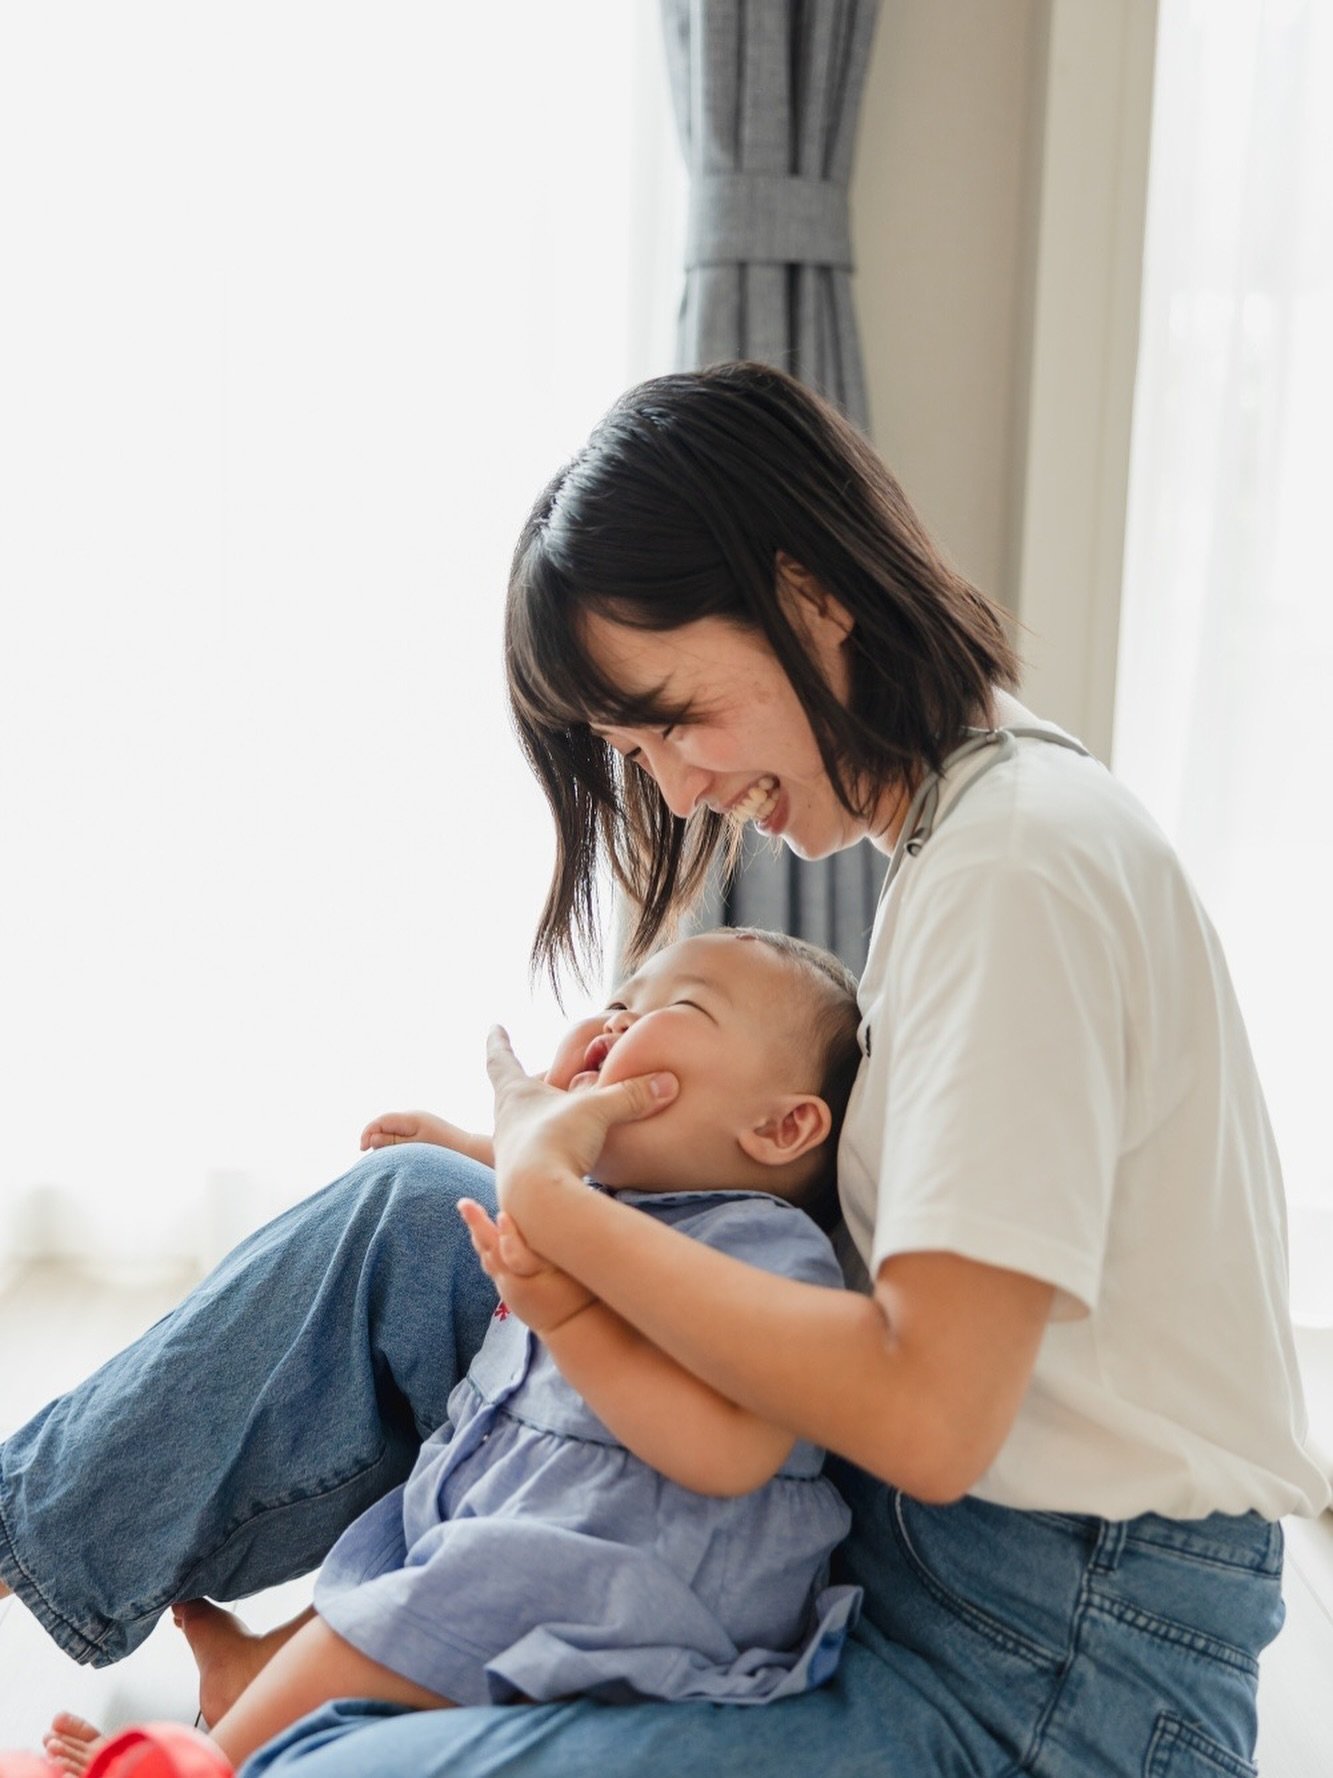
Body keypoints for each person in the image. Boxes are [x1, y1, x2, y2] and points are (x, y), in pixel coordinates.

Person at [2, 360, 1327, 1778]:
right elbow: (836, 1257)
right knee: (413, 1209)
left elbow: (932, 1416)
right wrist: (539, 1177)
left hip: (1051, 1670)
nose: (682, 791)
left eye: (675, 718)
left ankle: (319, 1695)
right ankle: (48, 1549)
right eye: (637, 753)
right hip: (892, 1538)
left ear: (809, 593)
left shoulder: (1020, 870)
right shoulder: (971, 838)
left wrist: (558, 1209)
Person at [40, 928, 865, 1775]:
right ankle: (259, 1680)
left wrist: (570, 1317)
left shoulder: (765, 1252)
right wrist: (464, 1147)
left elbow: (730, 1454)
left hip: (647, 1582)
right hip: (532, 1522)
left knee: (392, 1622)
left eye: (677, 1008)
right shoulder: (604, 1201)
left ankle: (210, 1760)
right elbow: (545, 1169)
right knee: (389, 1557)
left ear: (780, 1125)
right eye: (618, 1000)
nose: (615, 1020)